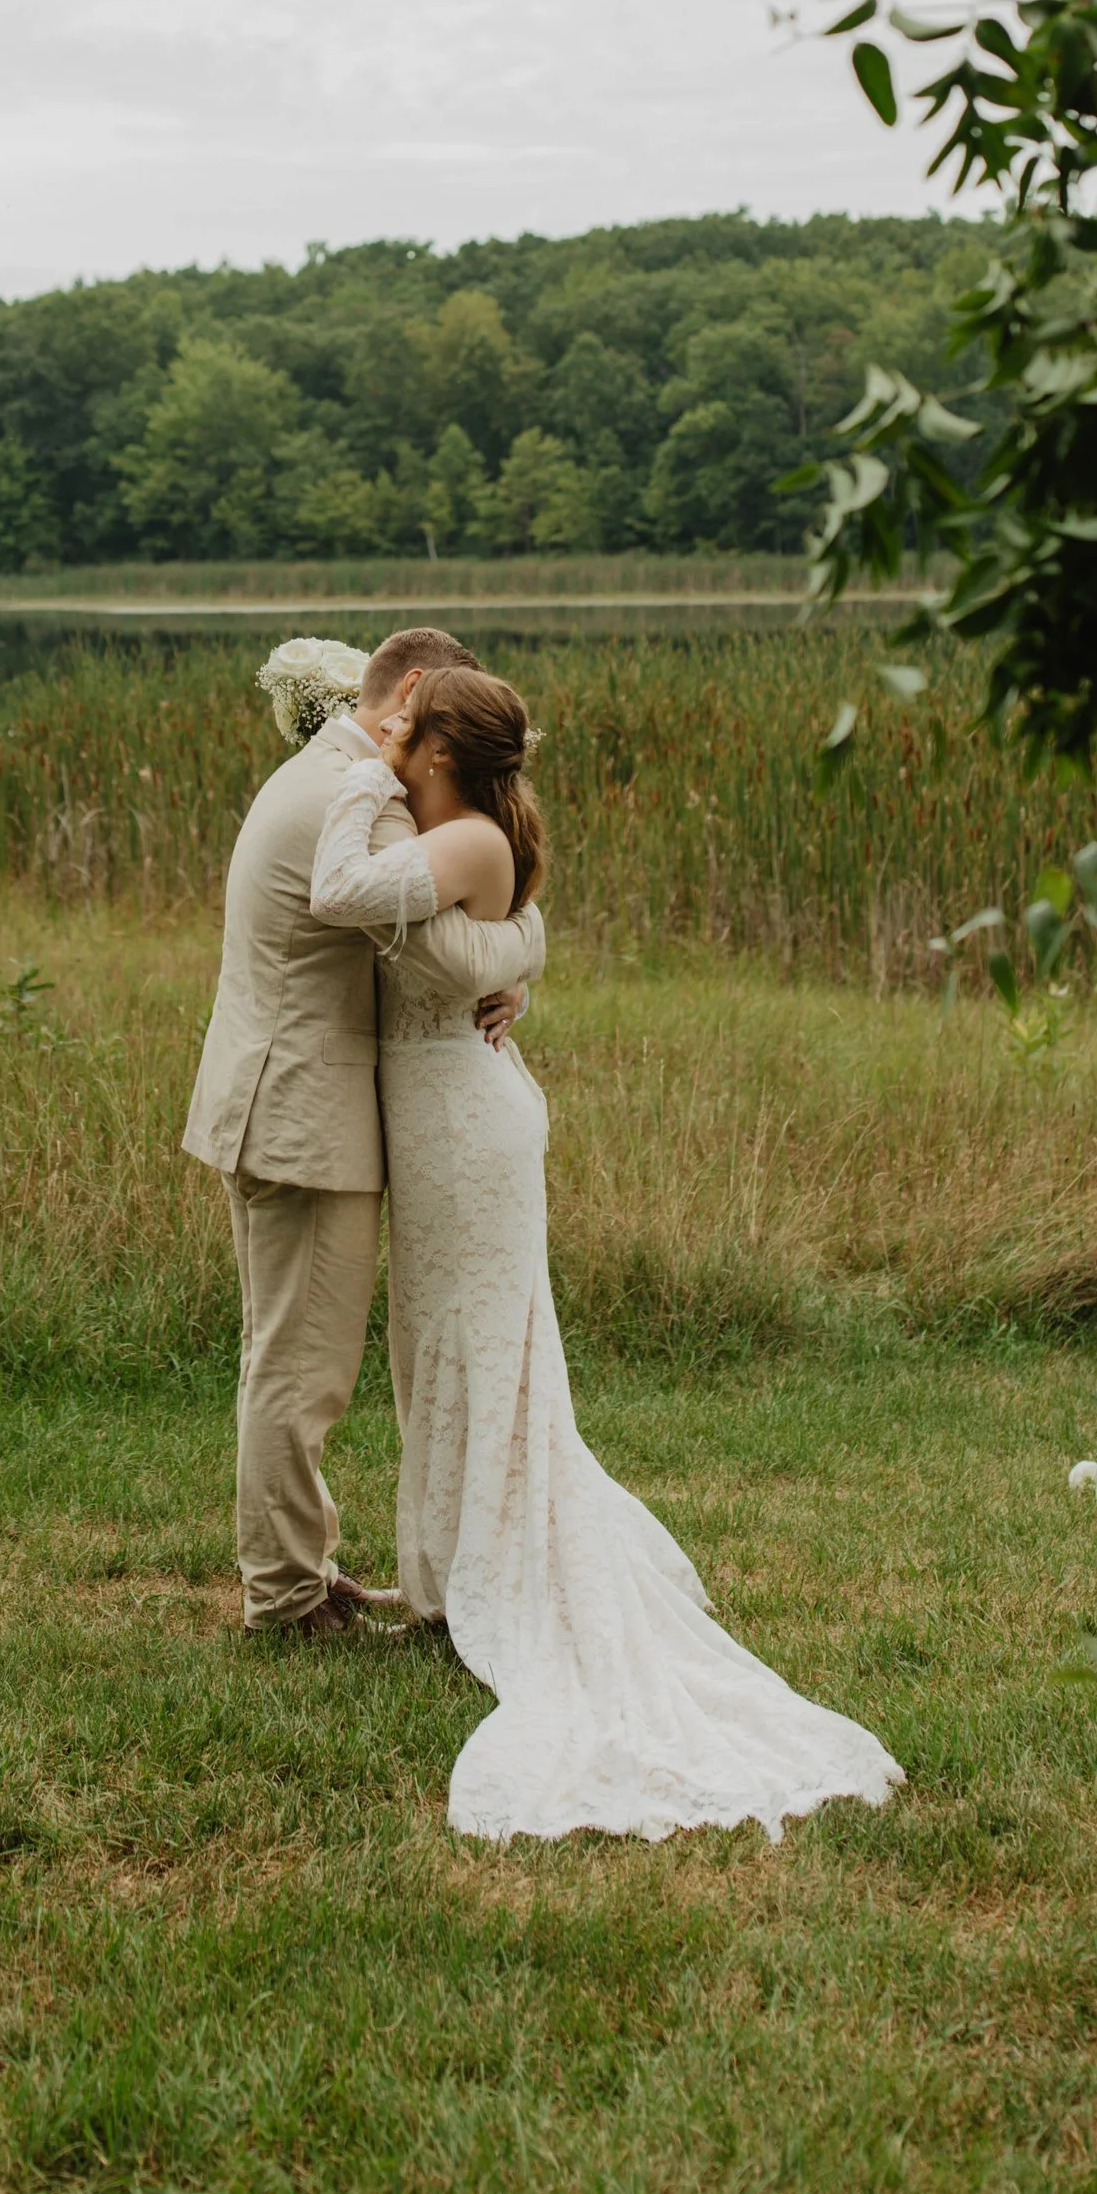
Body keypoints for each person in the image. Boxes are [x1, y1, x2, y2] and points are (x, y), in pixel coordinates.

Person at [308, 666, 903, 1842]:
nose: (387, 740)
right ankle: (439, 1573)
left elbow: (337, 890)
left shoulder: (468, 835)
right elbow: (463, 939)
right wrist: (512, 957)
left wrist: (353, 775)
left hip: (468, 1127)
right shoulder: (454, 829)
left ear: (432, 752)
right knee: (437, 1346)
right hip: (436, 1121)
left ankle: (482, 1566)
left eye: (402, 733)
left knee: (482, 1343)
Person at [181, 628, 540, 1636]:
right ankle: (287, 1600)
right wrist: (528, 942)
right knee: (301, 1373)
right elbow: (437, 960)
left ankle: (300, 1568)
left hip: (280, 1102)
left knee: (286, 1358)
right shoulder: (358, 796)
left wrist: (506, 957)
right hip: (300, 1115)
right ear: (414, 694)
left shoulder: (322, 771)